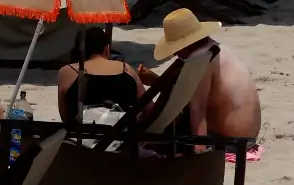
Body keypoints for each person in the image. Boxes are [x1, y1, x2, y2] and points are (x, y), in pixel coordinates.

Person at [140, 10, 260, 141]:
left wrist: (200, 150)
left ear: (187, 44)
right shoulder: (217, 49)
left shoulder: (200, 59)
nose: (175, 54)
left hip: (232, 139)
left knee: (173, 122)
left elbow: (198, 109)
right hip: (249, 134)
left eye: (176, 48)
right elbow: (186, 90)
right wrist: (157, 81)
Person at [57, 27, 145, 125]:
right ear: (107, 49)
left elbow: (65, 117)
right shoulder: (126, 69)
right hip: (121, 136)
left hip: (81, 136)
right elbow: (148, 108)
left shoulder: (67, 72)